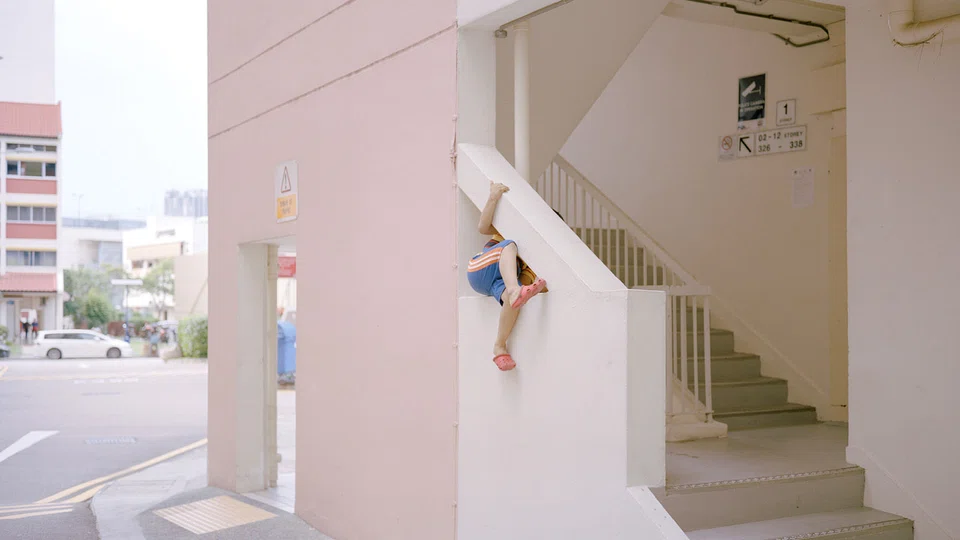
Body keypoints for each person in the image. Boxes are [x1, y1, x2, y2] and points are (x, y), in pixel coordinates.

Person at [467, 182, 547, 371]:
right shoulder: (510, 234)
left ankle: (500, 347)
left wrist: (537, 287)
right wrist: (493, 197)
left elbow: (525, 286)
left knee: (513, 300)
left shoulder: (530, 265)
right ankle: (512, 290)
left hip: (495, 283)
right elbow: (483, 227)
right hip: (479, 268)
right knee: (509, 246)